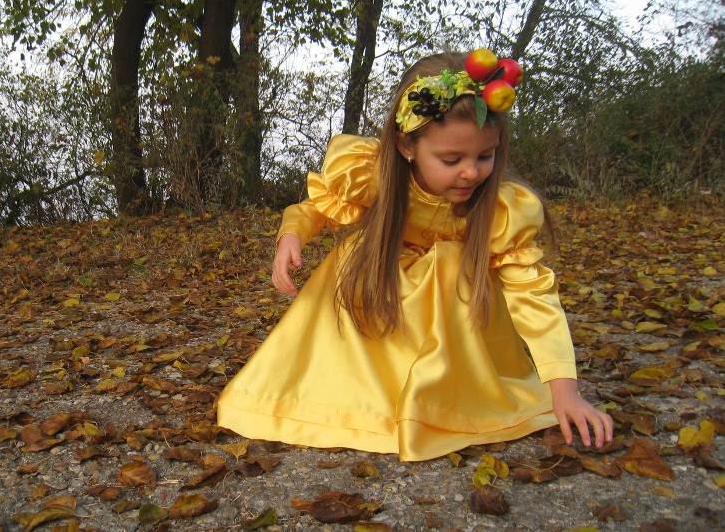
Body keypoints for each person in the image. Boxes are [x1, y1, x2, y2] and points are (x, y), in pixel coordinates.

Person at [216, 50, 614, 462]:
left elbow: (532, 295)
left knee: (453, 263)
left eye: (485, 156)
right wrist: (291, 236)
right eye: (451, 159)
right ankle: (353, 395)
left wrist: (564, 390)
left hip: (455, 325)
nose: (471, 173)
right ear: (407, 145)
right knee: (354, 255)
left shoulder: (498, 209)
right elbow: (319, 206)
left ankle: (440, 399)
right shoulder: (375, 175)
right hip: (379, 305)